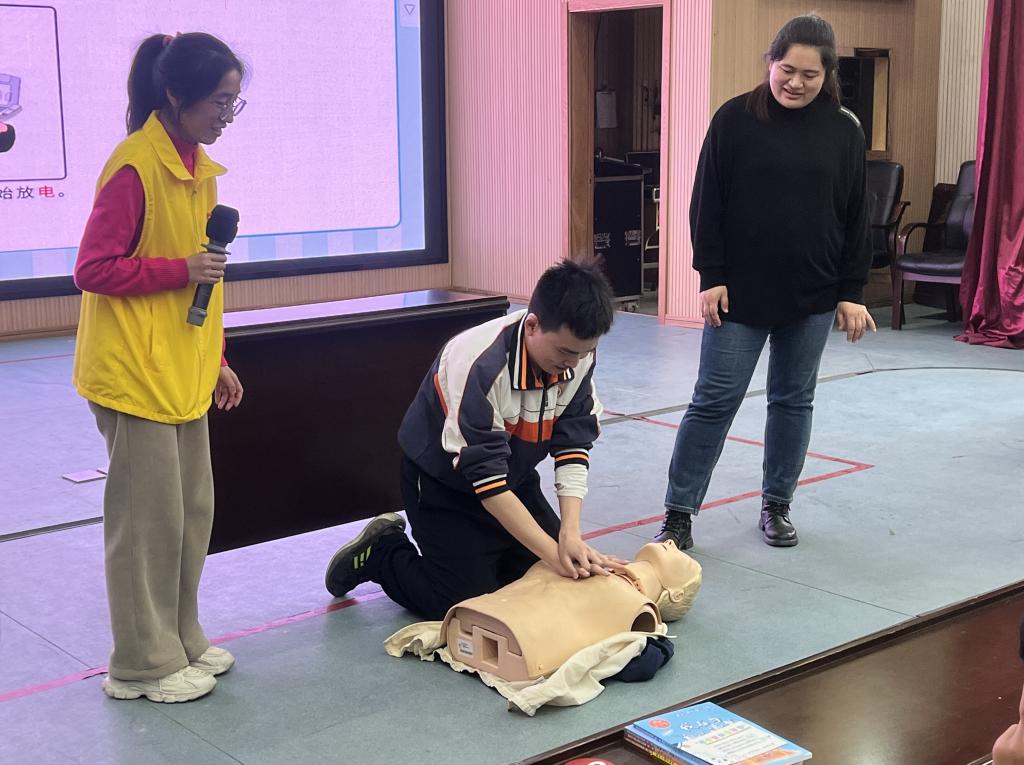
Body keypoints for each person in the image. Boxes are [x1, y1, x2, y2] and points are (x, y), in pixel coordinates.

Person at [654, 14, 875, 552]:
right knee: (713, 401)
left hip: (813, 295)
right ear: (771, 62)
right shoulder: (735, 119)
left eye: (810, 75)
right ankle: (679, 514)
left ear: (828, 75)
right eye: (787, 69)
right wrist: (711, 276)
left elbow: (855, 214)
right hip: (740, 295)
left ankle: (777, 505)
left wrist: (851, 291)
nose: (795, 83)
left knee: (793, 401)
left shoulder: (844, 129)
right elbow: (706, 202)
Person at [72, 32, 246, 703]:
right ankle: (141, 664)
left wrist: (217, 359)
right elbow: (92, 269)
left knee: (188, 515)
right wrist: (179, 270)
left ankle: (179, 636)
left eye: (233, 103)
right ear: (176, 94)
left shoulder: (199, 168)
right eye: (218, 102)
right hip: (132, 375)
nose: (225, 116)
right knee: (146, 525)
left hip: (183, 371)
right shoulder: (134, 167)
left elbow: (205, 280)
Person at [325, 259, 626, 620]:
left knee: (550, 576)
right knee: (461, 604)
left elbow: (573, 445)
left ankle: (490, 557)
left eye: (584, 352)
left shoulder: (576, 356)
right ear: (532, 325)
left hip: (511, 477)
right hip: (443, 484)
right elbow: (488, 483)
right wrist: (553, 552)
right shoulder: (478, 364)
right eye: (565, 352)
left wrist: (570, 534)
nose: (573, 363)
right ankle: (383, 551)